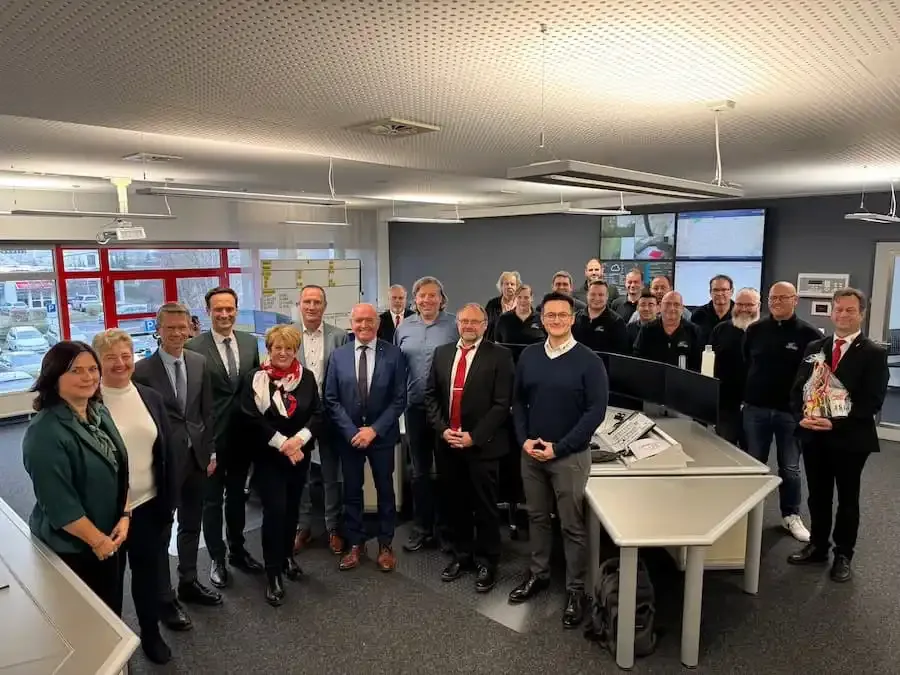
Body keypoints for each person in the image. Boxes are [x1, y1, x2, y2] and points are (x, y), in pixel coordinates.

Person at [508, 292, 608, 629]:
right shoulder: (530, 356)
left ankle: (576, 589)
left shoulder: (589, 361)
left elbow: (595, 412)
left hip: (569, 457)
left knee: (571, 525)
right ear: (541, 318)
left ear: (572, 318)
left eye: (561, 315)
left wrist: (560, 447)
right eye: (549, 315)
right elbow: (518, 402)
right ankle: (539, 574)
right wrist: (523, 440)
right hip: (532, 454)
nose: (555, 321)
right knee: (536, 517)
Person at [21, 343, 129, 642]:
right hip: (73, 549)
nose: (88, 377)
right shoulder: (45, 432)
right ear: (53, 377)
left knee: (109, 617)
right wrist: (99, 542)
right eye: (75, 371)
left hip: (109, 537)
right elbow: (59, 505)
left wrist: (125, 514)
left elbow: (119, 468)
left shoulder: (97, 411)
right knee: (80, 632)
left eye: (92, 369)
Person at [788, 288, 888, 582]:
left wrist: (834, 423)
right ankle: (818, 546)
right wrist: (801, 417)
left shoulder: (873, 353)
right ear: (832, 312)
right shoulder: (814, 348)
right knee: (818, 496)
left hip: (849, 439)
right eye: (839, 309)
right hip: (813, 436)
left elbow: (871, 401)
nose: (843, 315)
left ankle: (844, 554)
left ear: (861, 314)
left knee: (847, 498)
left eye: (850, 310)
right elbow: (797, 390)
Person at [134, 302, 221, 630]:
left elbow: (205, 412)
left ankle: (188, 581)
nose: (176, 333)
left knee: (191, 523)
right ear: (158, 329)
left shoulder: (198, 362)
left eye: (181, 327)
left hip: (197, 457)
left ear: (189, 328)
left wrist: (210, 452)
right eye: (169, 328)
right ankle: (164, 598)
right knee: (161, 530)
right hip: (163, 463)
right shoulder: (142, 371)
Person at [94, 329, 176, 664]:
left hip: (149, 506)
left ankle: (150, 634)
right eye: (111, 357)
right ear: (98, 361)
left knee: (147, 576)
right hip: (108, 513)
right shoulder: (90, 403)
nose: (120, 363)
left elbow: (166, 450)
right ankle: (112, 648)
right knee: (109, 582)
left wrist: (168, 502)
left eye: (125, 356)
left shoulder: (149, 396)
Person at [425, 303, 514, 593]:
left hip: (482, 446)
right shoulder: (442, 353)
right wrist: (443, 430)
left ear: (485, 325)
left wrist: (473, 437)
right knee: (456, 503)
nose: (469, 326)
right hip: (449, 444)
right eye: (464, 321)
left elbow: (502, 405)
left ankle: (488, 561)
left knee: (485, 507)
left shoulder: (500, 356)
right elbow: (431, 396)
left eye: (475, 322)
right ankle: (462, 556)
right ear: (457, 323)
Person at [186, 287, 263, 588]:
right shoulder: (194, 347)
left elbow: (253, 388)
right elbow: (191, 401)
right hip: (210, 441)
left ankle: (238, 550)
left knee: (236, 499)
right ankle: (217, 557)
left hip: (242, 437)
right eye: (218, 309)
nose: (225, 314)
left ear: (236, 309)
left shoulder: (248, 343)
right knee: (211, 502)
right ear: (208, 311)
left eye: (229, 308)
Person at [241, 325, 323, 605]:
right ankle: (272, 572)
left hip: (298, 457)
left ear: (295, 350)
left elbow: (317, 414)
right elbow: (251, 419)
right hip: (269, 460)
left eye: (289, 348)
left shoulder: (306, 378)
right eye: (278, 347)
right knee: (274, 514)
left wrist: (298, 441)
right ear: (269, 349)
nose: (284, 353)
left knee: (291, 512)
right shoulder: (256, 379)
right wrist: (283, 444)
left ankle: (287, 556)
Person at [325, 303, 407, 572]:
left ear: (377, 323)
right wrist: (352, 432)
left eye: (369, 321)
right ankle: (356, 544)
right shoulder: (338, 355)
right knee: (352, 492)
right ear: (351, 322)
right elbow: (331, 399)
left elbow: (399, 400)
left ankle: (385, 544)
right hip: (349, 438)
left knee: (385, 491)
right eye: (358, 321)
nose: (363, 326)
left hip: (381, 437)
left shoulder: (394, 354)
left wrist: (374, 430)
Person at [742, 281, 821, 542]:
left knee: (790, 468)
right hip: (756, 409)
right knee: (755, 464)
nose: (776, 302)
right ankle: (748, 514)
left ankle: (791, 516)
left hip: (790, 413)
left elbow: (814, 378)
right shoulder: (754, 330)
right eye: (772, 298)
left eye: (782, 298)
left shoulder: (809, 335)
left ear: (795, 300)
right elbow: (747, 363)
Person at [395, 275, 459, 552]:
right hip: (415, 407)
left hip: (446, 410)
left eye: (433, 295)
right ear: (415, 299)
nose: (427, 300)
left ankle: (447, 529)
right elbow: (398, 367)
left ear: (442, 299)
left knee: (447, 470)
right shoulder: (404, 327)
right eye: (422, 296)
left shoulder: (455, 325)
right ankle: (422, 527)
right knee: (419, 471)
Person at [293, 284, 349, 556]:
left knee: (330, 474)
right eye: (307, 302)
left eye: (317, 302)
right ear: (299, 305)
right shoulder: (288, 335)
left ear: (324, 307)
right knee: (300, 474)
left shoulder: (339, 337)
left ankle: (333, 527)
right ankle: (301, 526)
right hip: (297, 418)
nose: (312, 307)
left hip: (329, 415)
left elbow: (345, 377)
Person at [709, 288, 761, 446]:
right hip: (726, 405)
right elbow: (710, 365)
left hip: (755, 406)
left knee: (753, 454)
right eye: (740, 304)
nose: (744, 309)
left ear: (758, 305)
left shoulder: (765, 330)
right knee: (724, 451)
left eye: (749, 305)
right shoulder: (720, 330)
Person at [633, 291, 702, 370]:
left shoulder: (694, 331)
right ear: (660, 307)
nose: (671, 308)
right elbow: (637, 359)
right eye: (667, 304)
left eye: (676, 304)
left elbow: (698, 365)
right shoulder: (647, 330)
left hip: (684, 380)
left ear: (682, 309)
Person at [572, 280, 629, 354]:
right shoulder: (575, 318)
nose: (597, 298)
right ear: (587, 295)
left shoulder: (617, 322)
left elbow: (621, 355)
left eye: (601, 295)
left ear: (607, 296)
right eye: (593, 294)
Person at [691, 274, 735, 345]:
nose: (720, 293)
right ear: (710, 292)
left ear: (732, 291)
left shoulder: (740, 314)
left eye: (724, 290)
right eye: (716, 290)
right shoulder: (698, 314)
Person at [484, 270, 521, 341]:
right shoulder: (492, 304)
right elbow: (485, 325)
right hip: (493, 345)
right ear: (501, 286)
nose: (509, 287)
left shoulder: (522, 304)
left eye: (512, 284)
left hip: (515, 346)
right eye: (506, 284)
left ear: (517, 287)